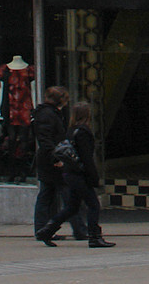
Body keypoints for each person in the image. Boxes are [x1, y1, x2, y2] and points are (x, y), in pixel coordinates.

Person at [35, 99, 114, 248]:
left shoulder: (71, 131)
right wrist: (94, 177)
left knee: (72, 207)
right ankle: (94, 237)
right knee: (93, 205)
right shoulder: (83, 132)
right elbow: (87, 158)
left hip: (70, 173)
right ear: (87, 115)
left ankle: (47, 230)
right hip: (80, 175)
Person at [30, 85, 86, 243]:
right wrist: (57, 159)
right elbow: (46, 139)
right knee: (68, 195)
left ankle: (43, 229)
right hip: (53, 161)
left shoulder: (46, 113)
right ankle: (78, 229)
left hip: (49, 160)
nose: (66, 104)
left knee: (47, 195)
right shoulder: (48, 115)